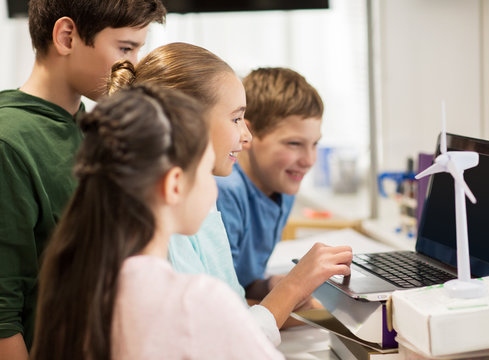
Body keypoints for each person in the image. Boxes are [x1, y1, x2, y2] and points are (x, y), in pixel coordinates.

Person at [107, 42, 353, 345]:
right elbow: (222, 339)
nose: (245, 136)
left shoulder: (202, 201)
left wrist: (286, 293)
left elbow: (232, 307)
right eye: (236, 118)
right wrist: (292, 289)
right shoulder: (157, 228)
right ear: (188, 123)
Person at [30, 84, 285, 360]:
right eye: (206, 171)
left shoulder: (72, 277)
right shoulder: (195, 300)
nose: (213, 189)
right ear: (174, 184)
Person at [0, 0, 166, 357]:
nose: (134, 65)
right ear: (66, 37)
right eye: (125, 48)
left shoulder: (93, 129)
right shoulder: (8, 142)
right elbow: (2, 315)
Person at [216, 67, 324, 300]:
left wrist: (270, 286)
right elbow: (225, 306)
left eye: (314, 144)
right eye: (294, 144)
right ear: (248, 133)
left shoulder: (283, 185)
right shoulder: (225, 190)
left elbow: (243, 281)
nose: (309, 160)